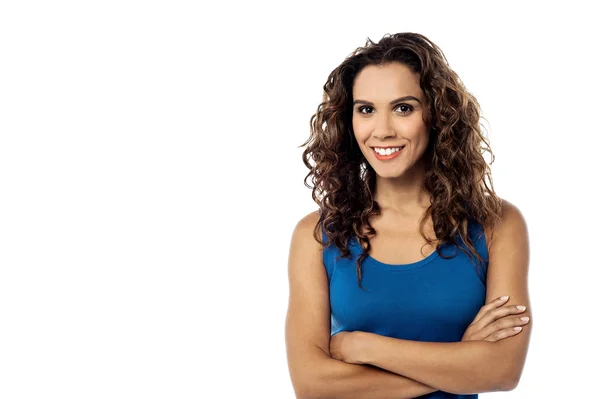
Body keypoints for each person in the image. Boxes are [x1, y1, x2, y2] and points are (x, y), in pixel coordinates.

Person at [284, 32, 532, 399]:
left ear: (436, 115)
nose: (382, 130)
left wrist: (364, 347)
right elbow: (312, 384)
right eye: (366, 109)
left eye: (404, 108)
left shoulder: (496, 223)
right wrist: (462, 363)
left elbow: (502, 370)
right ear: (347, 120)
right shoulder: (317, 235)